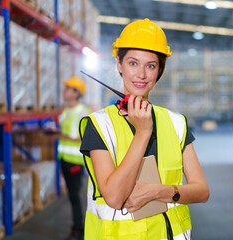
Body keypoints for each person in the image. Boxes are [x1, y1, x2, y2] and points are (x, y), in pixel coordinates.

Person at [79, 18, 210, 240]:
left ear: (159, 70)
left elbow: (202, 191)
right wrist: (142, 133)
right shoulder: (99, 125)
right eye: (132, 63)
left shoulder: (176, 122)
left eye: (150, 65)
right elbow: (113, 196)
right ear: (119, 65)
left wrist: (158, 191)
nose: (141, 74)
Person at [57, 76, 91, 240]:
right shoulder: (66, 111)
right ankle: (77, 227)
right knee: (71, 195)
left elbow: (83, 137)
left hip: (75, 161)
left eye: (68, 88)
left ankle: (79, 230)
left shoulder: (82, 111)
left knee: (74, 196)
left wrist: (59, 135)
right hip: (64, 158)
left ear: (76, 93)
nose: (64, 91)